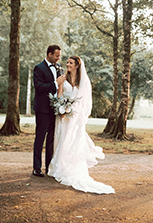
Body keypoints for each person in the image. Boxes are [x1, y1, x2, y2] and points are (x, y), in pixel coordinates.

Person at [48, 56, 115, 194]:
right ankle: (59, 168)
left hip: (75, 117)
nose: (67, 64)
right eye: (67, 62)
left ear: (77, 66)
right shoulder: (63, 78)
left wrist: (79, 114)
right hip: (63, 116)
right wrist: (61, 108)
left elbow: (85, 102)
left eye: (70, 63)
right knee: (62, 140)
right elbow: (59, 95)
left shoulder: (83, 81)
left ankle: (72, 168)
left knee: (73, 142)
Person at [32, 45, 66, 177]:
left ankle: (49, 167)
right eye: (57, 55)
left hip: (54, 110)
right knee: (40, 138)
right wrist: (55, 83)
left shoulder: (59, 67)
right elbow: (39, 87)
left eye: (59, 56)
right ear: (49, 54)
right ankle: (36, 167)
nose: (58, 58)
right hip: (42, 110)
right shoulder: (38, 68)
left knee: (52, 139)